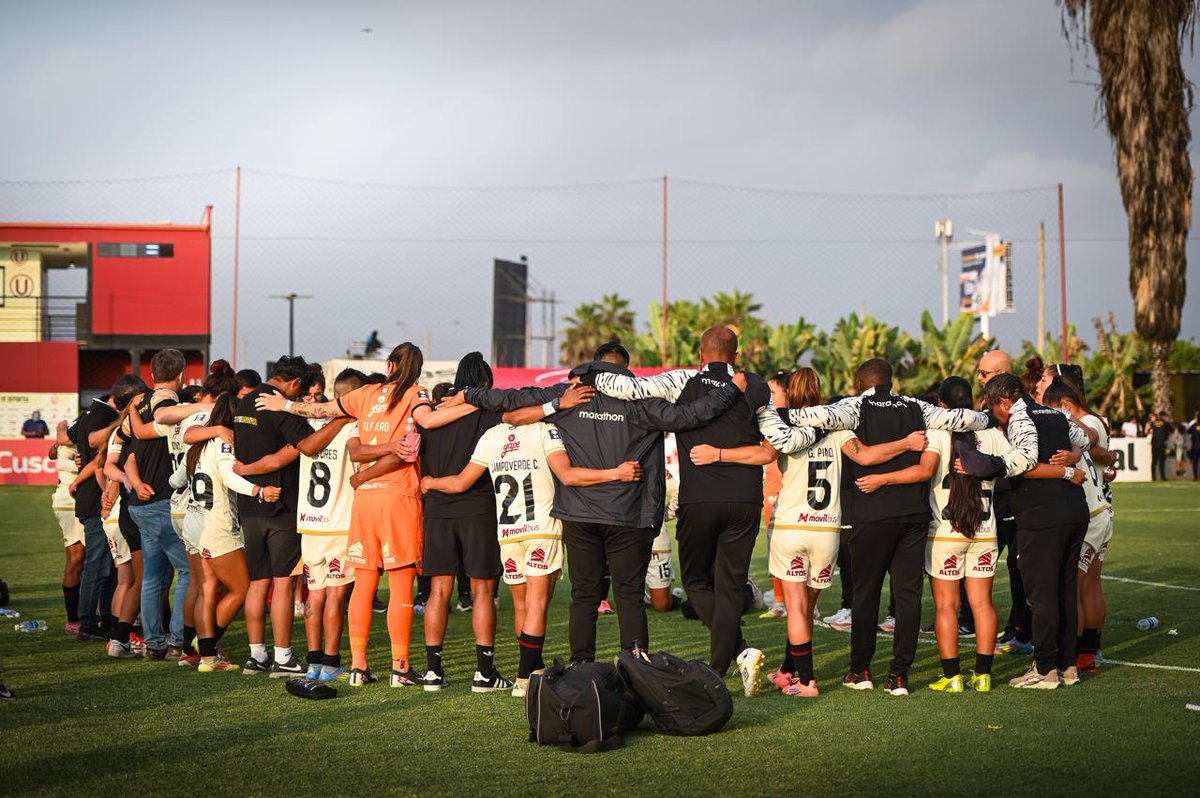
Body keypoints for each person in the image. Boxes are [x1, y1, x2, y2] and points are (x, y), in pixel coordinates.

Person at [451, 344, 751, 668]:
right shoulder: (640, 400)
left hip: (580, 515)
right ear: (626, 369)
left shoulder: (569, 394)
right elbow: (689, 417)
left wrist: (468, 394)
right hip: (629, 516)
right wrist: (732, 389)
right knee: (629, 598)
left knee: (584, 596)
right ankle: (636, 670)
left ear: (593, 365)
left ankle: (581, 670)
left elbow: (510, 406)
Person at [692, 367, 925, 697]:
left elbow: (762, 454)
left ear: (789, 395)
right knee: (804, 610)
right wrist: (906, 442)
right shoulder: (841, 428)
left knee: (797, 610)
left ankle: (807, 681)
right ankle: (789, 669)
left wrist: (715, 454)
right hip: (827, 531)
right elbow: (870, 456)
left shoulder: (785, 423)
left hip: (791, 525)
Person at [256, 343, 476, 687]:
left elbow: (326, 414)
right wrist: (471, 401)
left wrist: (283, 404)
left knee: (364, 584)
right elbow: (428, 421)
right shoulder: (415, 393)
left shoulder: (365, 394)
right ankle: (400, 668)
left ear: (389, 365)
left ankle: (358, 666)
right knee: (401, 586)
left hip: (364, 504)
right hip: (398, 498)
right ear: (418, 370)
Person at [423, 414, 639, 696]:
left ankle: (533, 670)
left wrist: (429, 482)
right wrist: (615, 473)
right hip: (541, 530)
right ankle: (525, 679)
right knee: (537, 605)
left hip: (509, 534)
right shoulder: (545, 430)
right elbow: (568, 475)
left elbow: (462, 482)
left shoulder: (492, 435)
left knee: (522, 606)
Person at [959, 373, 1091, 689]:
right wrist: (1072, 459)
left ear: (1005, 400)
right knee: (1064, 591)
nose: (997, 416)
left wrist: (987, 464)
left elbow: (1026, 461)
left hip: (1042, 515)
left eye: (995, 408)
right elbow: (1086, 438)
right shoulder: (1054, 412)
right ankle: (1067, 666)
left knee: (1042, 595)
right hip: (1074, 511)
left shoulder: (1022, 415)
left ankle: (1045, 669)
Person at [415, 354, 510, 692]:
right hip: (478, 507)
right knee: (483, 590)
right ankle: (484, 673)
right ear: (485, 385)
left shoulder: (433, 414)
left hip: (437, 509)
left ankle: (433, 673)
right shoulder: (488, 413)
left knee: (439, 591)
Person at [175, 392, 282, 673]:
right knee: (243, 588)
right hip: (217, 527)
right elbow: (229, 477)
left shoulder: (197, 446)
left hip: (193, 523)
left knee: (206, 590)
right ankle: (205, 644)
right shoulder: (224, 444)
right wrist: (257, 490)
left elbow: (175, 479)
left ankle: (208, 657)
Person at [232, 356, 317, 677]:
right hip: (282, 506)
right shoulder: (280, 406)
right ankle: (283, 657)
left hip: (250, 506)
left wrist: (248, 471)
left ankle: (256, 655)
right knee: (283, 584)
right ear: (294, 384)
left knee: (258, 583)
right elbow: (306, 444)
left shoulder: (244, 404)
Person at [1041, 380, 1115, 674]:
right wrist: (1108, 458)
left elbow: (1090, 438)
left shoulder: (1080, 423)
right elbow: (1098, 451)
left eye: (1050, 410)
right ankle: (1087, 654)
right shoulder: (1087, 423)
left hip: (1088, 514)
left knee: (1072, 587)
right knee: (1091, 586)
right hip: (1101, 510)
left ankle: (1069, 658)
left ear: (1066, 406)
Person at [124, 349, 191, 661]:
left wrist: (135, 483)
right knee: (188, 570)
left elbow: (130, 446)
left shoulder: (140, 403)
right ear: (180, 376)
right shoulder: (169, 405)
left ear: (151, 374)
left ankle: (154, 643)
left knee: (152, 576)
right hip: (163, 502)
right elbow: (163, 418)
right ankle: (178, 639)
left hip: (140, 503)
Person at [69, 377, 140, 642]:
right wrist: (104, 490)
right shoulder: (106, 418)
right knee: (98, 566)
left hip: (96, 500)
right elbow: (95, 453)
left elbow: (71, 438)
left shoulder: (90, 413)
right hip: (97, 502)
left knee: (110, 569)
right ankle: (88, 624)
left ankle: (103, 621)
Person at [977, 350, 1033, 657]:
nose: (980, 379)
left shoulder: (1019, 410)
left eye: (984, 374)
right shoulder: (987, 404)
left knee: (1019, 564)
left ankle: (1023, 630)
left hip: (1016, 492)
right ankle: (1004, 624)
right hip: (994, 495)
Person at [50, 420, 85, 634]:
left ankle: (81, 615)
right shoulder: (80, 434)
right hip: (72, 499)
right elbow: (58, 458)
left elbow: (52, 453)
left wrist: (58, 439)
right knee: (77, 558)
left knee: (84, 559)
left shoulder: (68, 434)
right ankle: (74, 620)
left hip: (70, 498)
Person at [1146, 411, 1169, 481]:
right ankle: (1162, 477)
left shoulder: (1153, 423)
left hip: (1154, 444)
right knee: (1161, 461)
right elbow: (1171, 430)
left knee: (1154, 461)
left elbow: (1147, 431)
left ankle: (1153, 477)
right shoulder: (1165, 423)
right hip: (1162, 444)